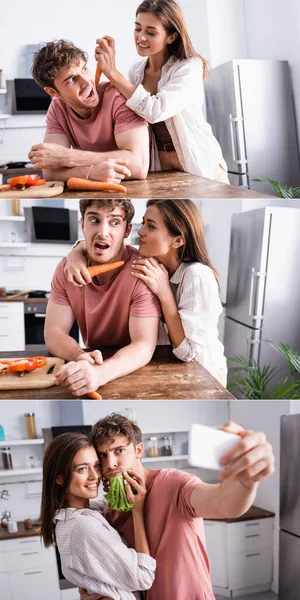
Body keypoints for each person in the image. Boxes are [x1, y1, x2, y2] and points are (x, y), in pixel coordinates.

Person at [79, 412, 275, 600]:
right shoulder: (110, 510)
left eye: (119, 451)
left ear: (139, 450)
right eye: (103, 456)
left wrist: (247, 479)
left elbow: (224, 504)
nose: (111, 463)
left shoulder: (172, 483)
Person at [65, 199, 227, 386]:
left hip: (204, 378)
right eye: (143, 223)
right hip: (170, 372)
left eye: (151, 226)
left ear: (178, 240)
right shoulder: (151, 263)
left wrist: (164, 293)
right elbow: (107, 244)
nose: (140, 231)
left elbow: (189, 354)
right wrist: (76, 253)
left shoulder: (197, 275)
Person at [94, 0, 229, 182]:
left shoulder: (189, 67)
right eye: (137, 28)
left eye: (151, 32)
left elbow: (156, 111)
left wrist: (112, 72)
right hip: (158, 166)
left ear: (171, 37)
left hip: (197, 162)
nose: (141, 37)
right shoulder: (135, 72)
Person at [45, 199, 161, 397]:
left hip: (132, 371)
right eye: (94, 220)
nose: (103, 232)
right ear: (83, 224)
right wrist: (81, 357)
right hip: (91, 363)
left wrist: (100, 374)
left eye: (114, 222)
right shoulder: (66, 269)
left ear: (127, 230)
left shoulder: (142, 272)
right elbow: (53, 333)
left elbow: (143, 344)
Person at [40, 432, 156, 599]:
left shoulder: (77, 515)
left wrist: (118, 491)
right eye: (82, 469)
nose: (95, 476)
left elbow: (104, 509)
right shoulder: (83, 526)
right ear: (59, 477)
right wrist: (137, 511)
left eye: (96, 466)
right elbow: (143, 577)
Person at [28, 39, 149, 183]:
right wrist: (91, 172)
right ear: (53, 92)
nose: (86, 82)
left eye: (84, 69)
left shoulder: (118, 98)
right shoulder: (58, 108)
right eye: (72, 79)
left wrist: (67, 157)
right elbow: (51, 172)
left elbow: (139, 165)